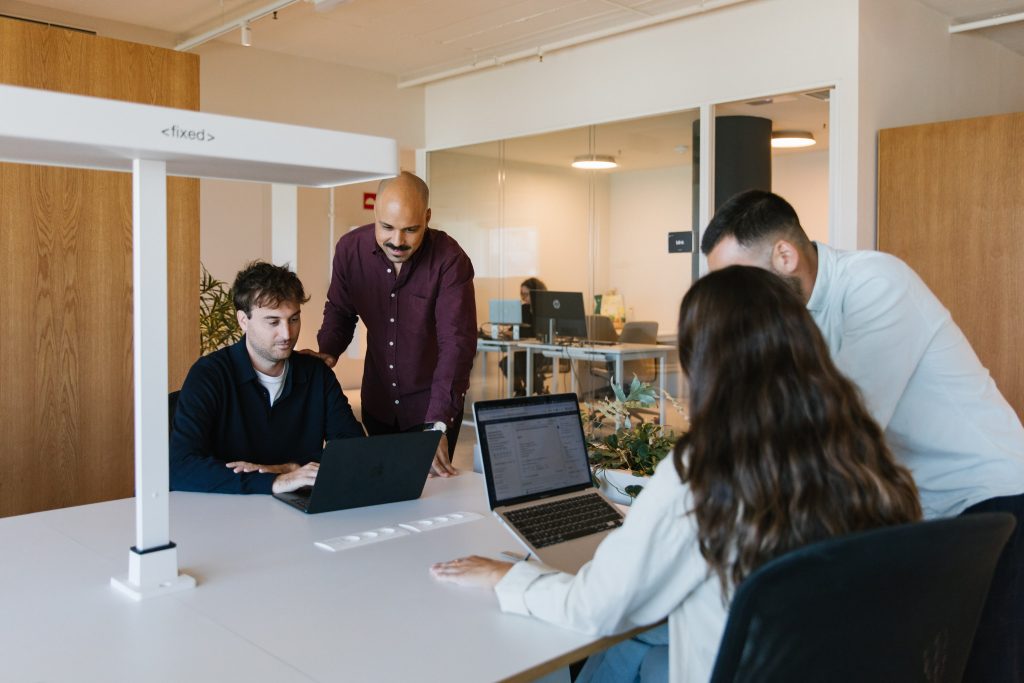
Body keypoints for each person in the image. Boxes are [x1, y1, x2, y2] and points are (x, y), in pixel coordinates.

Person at [431, 266, 922, 683]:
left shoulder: (704, 474)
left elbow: (592, 608)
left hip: (733, 666)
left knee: (616, 635)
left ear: (705, 363)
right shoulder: (862, 455)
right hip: (809, 663)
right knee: (640, 643)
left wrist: (510, 576)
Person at [700, 189, 1024, 682]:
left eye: (737, 279)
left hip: (994, 496)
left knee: (988, 668)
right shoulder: (791, 320)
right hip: (929, 512)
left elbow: (842, 431)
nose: (732, 300)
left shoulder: (875, 282)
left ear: (784, 255)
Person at [307, 171, 476, 478]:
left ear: (427, 217)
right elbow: (341, 310)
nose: (397, 241)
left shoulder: (450, 260)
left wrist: (438, 424)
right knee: (382, 487)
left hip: (430, 407)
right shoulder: (350, 250)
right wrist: (328, 353)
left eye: (410, 230)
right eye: (387, 227)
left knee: (429, 497)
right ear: (375, 213)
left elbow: (457, 344)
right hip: (379, 401)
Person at [170, 261, 364, 494]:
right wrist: (280, 478)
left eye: (293, 319)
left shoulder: (316, 374)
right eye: (273, 322)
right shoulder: (209, 375)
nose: (287, 334)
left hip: (301, 514)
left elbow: (356, 454)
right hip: (226, 514)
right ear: (243, 321)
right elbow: (179, 468)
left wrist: (285, 469)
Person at [498, 277, 550, 395]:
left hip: (542, 352)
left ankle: (534, 390)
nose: (523, 298)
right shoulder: (524, 309)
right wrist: (507, 333)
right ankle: (522, 390)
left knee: (521, 360)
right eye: (522, 294)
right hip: (524, 351)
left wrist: (516, 333)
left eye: (526, 294)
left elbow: (537, 333)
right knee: (505, 363)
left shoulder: (546, 311)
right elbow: (516, 328)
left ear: (536, 294)